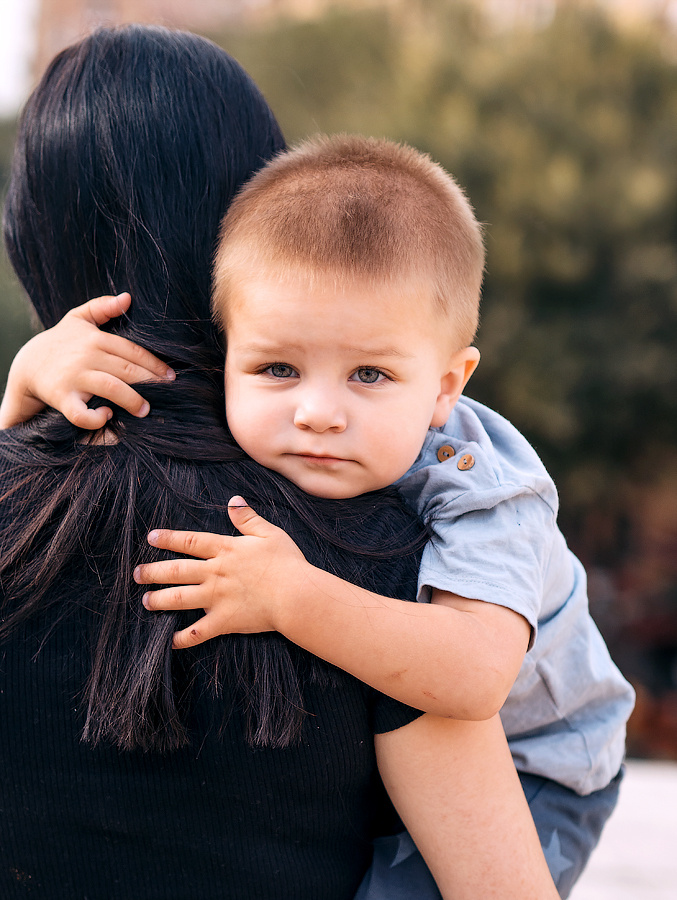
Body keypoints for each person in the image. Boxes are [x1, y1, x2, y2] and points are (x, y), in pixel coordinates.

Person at [0, 25, 559, 900]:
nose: (319, 412)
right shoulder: (381, 552)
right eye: (286, 370)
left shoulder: (444, 515)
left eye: (369, 374)